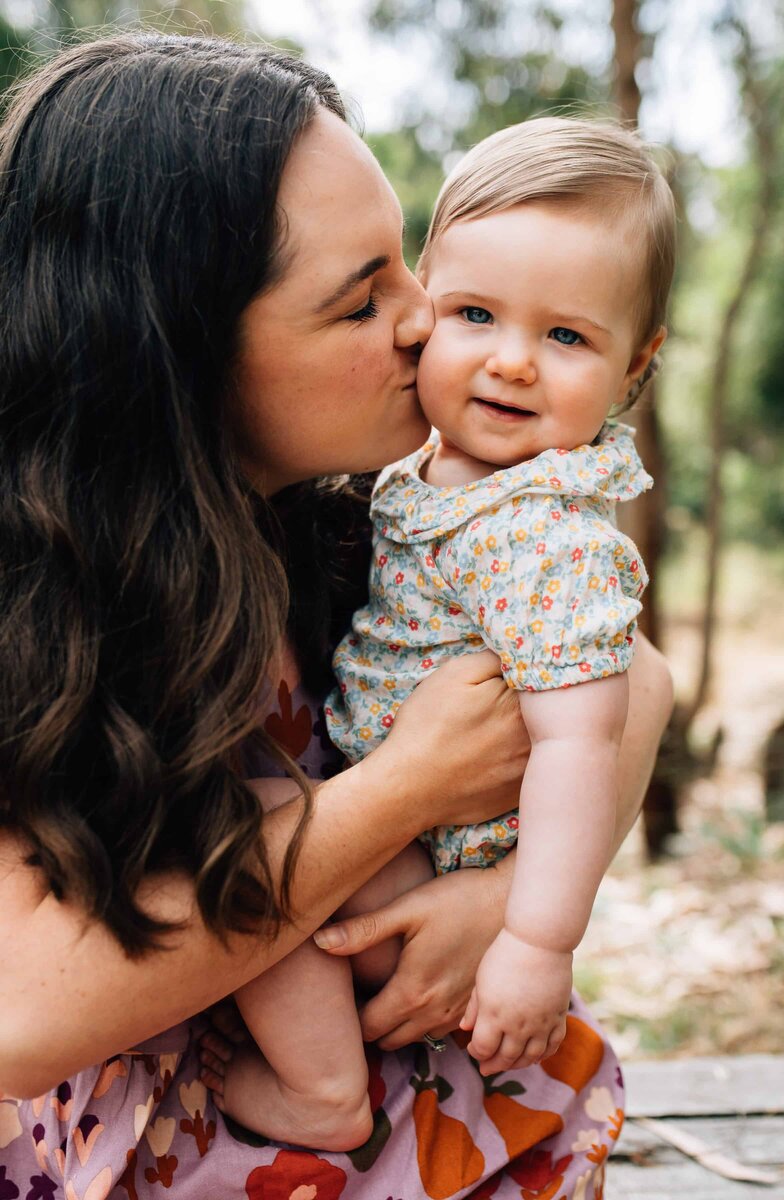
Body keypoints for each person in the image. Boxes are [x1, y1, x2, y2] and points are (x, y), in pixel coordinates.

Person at [0, 33, 673, 1199]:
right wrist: (402, 793)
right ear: (182, 350)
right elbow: (20, 1013)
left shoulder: (358, 518)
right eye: (365, 299)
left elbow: (630, 680)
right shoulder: (40, 602)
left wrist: (501, 908)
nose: (427, 323)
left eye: (407, 267)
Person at [202, 116, 676, 1150]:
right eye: (473, 313)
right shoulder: (431, 470)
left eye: (564, 336)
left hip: (440, 863)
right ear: (427, 300)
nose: (508, 363)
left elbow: (578, 738)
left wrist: (533, 937)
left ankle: (322, 1092)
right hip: (401, 823)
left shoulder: (540, 532)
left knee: (244, 838)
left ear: (633, 365)